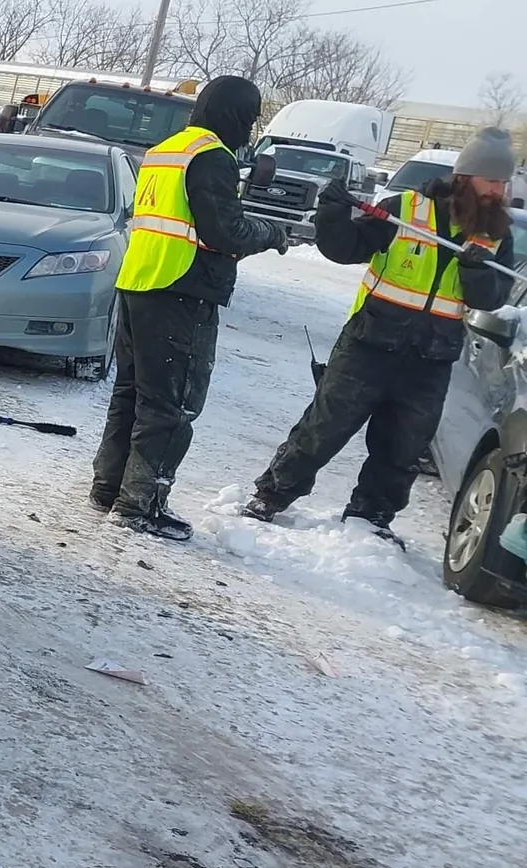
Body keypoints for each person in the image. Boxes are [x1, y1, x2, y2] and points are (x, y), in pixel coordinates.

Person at [244, 127, 518, 540]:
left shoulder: (496, 236)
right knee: (324, 428)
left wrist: (476, 269)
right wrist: (332, 212)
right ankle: (272, 494)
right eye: (492, 180)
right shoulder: (405, 210)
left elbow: (490, 299)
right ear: (465, 177)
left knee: (403, 447)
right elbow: (346, 248)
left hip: (431, 359)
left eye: (503, 182)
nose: (499, 191)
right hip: (369, 345)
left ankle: (370, 517)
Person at [89, 76, 289, 540]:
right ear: (236, 115)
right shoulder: (212, 157)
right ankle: (140, 504)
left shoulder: (166, 150)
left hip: (140, 281)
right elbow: (226, 233)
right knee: (171, 404)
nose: (249, 130)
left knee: (132, 393)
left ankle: (110, 488)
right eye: (250, 119)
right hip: (181, 289)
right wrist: (272, 233)